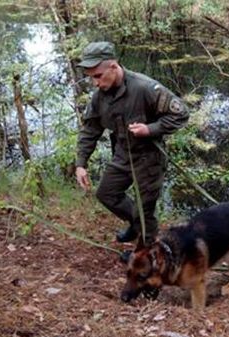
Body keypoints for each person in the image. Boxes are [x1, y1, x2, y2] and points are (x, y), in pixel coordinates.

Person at [75, 41, 189, 245]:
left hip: (149, 158)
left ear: (113, 66)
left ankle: (147, 252)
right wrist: (81, 163)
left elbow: (180, 114)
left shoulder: (145, 87)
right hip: (122, 155)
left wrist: (150, 129)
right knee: (106, 193)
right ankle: (136, 226)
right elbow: (90, 129)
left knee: (145, 208)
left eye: (98, 76)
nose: (95, 83)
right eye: (91, 77)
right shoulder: (99, 97)